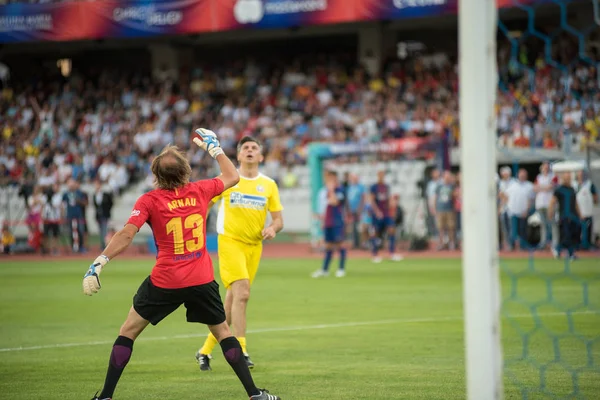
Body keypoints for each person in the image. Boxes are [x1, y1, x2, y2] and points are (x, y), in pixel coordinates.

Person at [83, 129, 281, 400]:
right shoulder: (200, 190)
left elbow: (127, 234)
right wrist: (214, 148)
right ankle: (254, 394)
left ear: (156, 175)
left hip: (165, 281)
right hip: (200, 279)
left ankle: (105, 396)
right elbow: (233, 176)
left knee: (128, 332)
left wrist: (99, 262)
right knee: (224, 332)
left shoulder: (149, 200)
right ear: (186, 171)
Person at [196, 136, 284, 372]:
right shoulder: (228, 180)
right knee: (243, 293)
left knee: (233, 299)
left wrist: (272, 229)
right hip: (230, 242)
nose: (250, 150)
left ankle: (204, 350)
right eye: (245, 147)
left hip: (254, 247)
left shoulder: (269, 185)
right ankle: (241, 349)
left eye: (255, 147)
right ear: (238, 155)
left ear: (261, 156)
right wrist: (195, 228)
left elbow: (278, 220)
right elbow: (204, 205)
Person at [311, 170, 348, 278]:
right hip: (328, 221)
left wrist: (331, 190)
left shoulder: (340, 190)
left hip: (337, 221)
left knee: (340, 244)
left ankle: (341, 269)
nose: (328, 180)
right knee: (328, 246)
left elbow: (335, 202)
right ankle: (325, 270)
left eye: (330, 178)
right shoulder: (324, 191)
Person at [368, 170, 403, 263]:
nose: (381, 177)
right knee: (375, 233)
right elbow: (371, 201)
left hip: (386, 213)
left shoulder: (386, 187)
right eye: (380, 175)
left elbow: (388, 200)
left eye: (383, 175)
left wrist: (392, 209)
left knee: (392, 229)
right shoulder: (374, 187)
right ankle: (375, 254)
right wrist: (376, 211)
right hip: (377, 214)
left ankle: (392, 253)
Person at [548, 171, 582, 260]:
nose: (568, 179)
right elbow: (552, 202)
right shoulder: (559, 189)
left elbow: (576, 203)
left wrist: (580, 214)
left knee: (572, 235)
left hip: (573, 216)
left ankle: (568, 253)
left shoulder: (572, 189)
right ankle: (558, 249)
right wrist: (550, 212)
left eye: (569, 178)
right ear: (563, 179)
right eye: (566, 178)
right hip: (563, 216)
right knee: (565, 235)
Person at [502, 168, 535, 250]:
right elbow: (503, 194)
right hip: (512, 212)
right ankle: (511, 246)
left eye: (524, 175)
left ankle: (523, 247)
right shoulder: (513, 185)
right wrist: (508, 205)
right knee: (512, 231)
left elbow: (531, 199)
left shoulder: (529, 186)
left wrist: (527, 210)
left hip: (523, 212)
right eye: (521, 175)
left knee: (522, 230)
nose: (522, 176)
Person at [431, 171, 457, 251]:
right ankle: (441, 243)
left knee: (451, 227)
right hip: (440, 209)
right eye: (446, 177)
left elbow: (455, 196)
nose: (447, 178)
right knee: (440, 228)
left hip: (449, 209)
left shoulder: (452, 186)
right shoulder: (439, 186)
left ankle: (451, 243)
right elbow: (435, 197)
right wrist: (434, 208)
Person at [575, 170, 598, 250]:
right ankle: (578, 244)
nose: (581, 176)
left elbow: (595, 197)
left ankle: (586, 245)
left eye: (582, 174)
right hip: (577, 212)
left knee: (587, 230)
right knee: (577, 230)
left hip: (587, 211)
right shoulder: (575, 184)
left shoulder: (589, 184)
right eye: (579, 174)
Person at [62, 178, 87, 253]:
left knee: (80, 231)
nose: (71, 186)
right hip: (70, 215)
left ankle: (81, 246)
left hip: (78, 215)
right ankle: (73, 247)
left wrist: (79, 201)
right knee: (71, 232)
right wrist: (63, 215)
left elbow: (85, 203)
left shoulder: (79, 193)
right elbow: (63, 205)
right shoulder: (65, 194)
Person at [534, 162, 555, 248]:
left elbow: (552, 186)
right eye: (544, 167)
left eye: (547, 167)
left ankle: (552, 243)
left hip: (549, 204)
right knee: (543, 225)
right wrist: (545, 187)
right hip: (540, 204)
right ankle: (543, 243)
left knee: (551, 224)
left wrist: (541, 187)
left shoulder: (553, 176)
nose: (545, 169)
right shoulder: (539, 177)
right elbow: (535, 188)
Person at [93, 179, 114, 250]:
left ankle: (105, 245)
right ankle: (103, 244)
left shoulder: (105, 194)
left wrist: (107, 210)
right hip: (98, 216)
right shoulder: (94, 195)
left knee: (105, 230)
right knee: (101, 231)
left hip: (105, 215)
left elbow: (111, 203)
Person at [346, 173, 365, 249]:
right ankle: (355, 243)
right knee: (353, 227)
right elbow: (347, 199)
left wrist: (360, 209)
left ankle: (361, 243)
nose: (354, 180)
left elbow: (363, 198)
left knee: (359, 227)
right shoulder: (349, 187)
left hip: (359, 211)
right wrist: (348, 209)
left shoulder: (361, 187)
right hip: (351, 210)